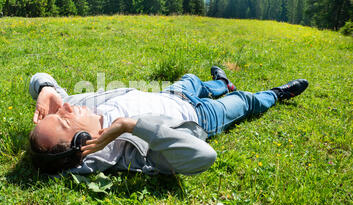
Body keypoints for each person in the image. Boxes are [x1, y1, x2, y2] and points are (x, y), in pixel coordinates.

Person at [28, 66, 308, 176]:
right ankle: (277, 94)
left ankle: (221, 83)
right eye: (63, 119)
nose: (65, 107)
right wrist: (129, 125)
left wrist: (45, 89)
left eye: (58, 112)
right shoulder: (130, 154)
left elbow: (41, 78)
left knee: (192, 79)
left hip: (173, 94)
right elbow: (204, 156)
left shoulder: (79, 109)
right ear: (83, 143)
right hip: (202, 117)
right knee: (247, 101)